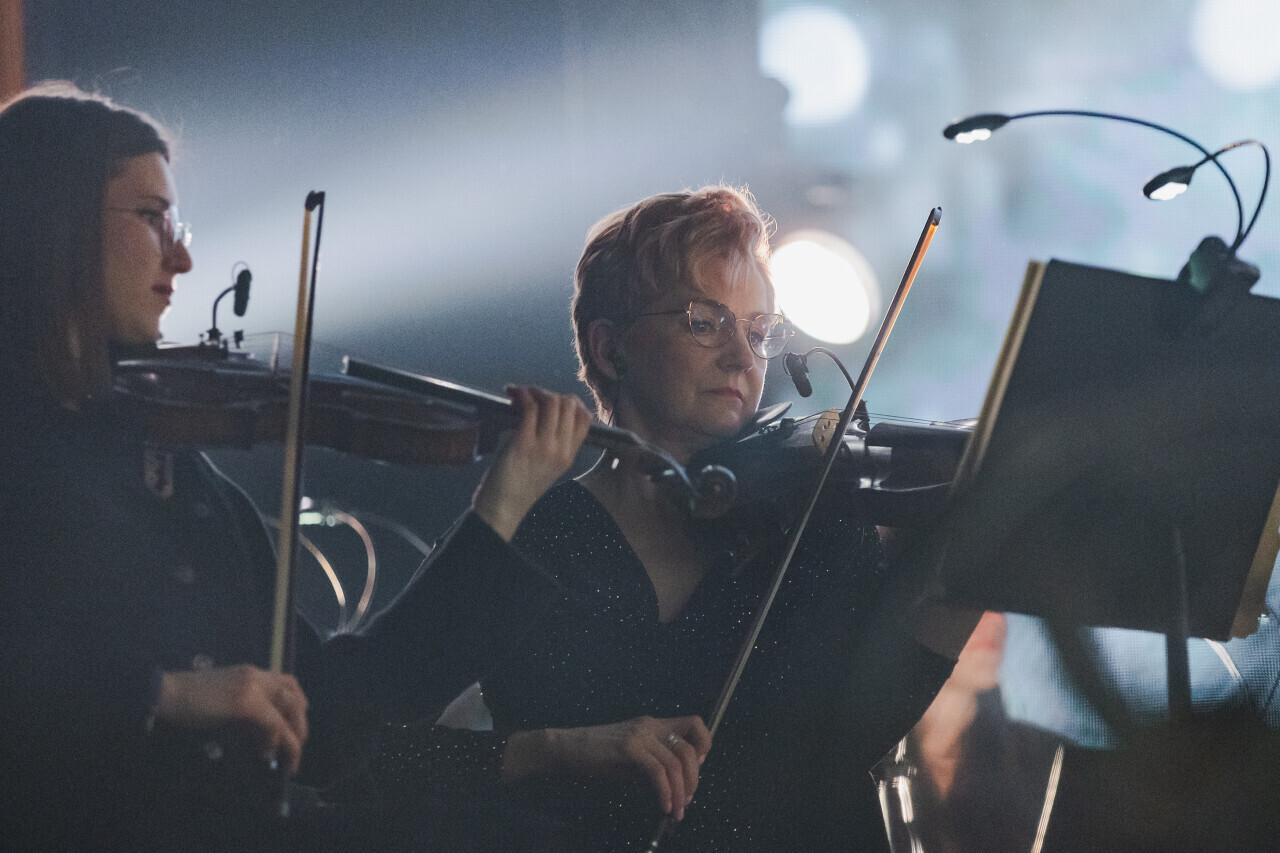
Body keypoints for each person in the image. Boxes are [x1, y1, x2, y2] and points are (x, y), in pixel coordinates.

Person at [0, 83, 591, 851]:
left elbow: (335, 720)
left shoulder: (186, 481)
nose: (182, 257)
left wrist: (500, 510)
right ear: (55, 224)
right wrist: (163, 695)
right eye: (151, 218)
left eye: (179, 224)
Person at [365, 187, 972, 851]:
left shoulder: (811, 518)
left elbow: (859, 729)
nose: (742, 356)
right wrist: (552, 749)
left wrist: (973, 559)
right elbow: (368, 756)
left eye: (758, 332)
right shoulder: (535, 536)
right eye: (704, 322)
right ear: (610, 348)